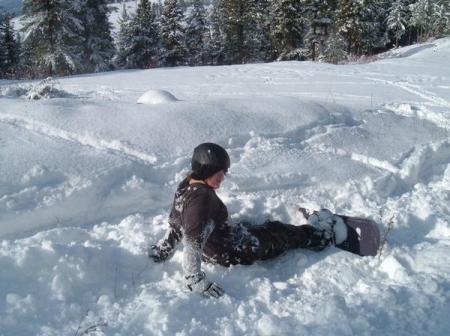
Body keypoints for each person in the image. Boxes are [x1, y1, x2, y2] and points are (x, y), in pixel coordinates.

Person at [149, 143, 343, 298]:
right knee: (281, 233)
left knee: (265, 228)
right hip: (232, 250)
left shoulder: (186, 185)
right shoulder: (202, 200)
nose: (223, 177)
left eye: (224, 172)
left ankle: (278, 232)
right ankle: (324, 235)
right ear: (207, 169)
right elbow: (193, 243)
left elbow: (176, 224)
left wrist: (164, 249)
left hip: (221, 241)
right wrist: (194, 279)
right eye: (220, 172)